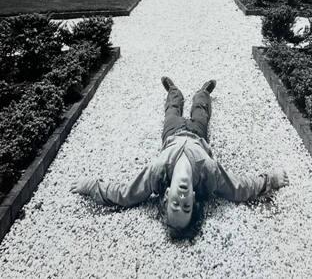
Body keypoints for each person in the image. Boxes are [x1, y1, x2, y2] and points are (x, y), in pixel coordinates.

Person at [71, 77, 289, 236]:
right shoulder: (208, 172)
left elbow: (126, 194)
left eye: (175, 204)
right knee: (201, 110)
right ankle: (203, 91)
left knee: (172, 110)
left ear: (166, 195)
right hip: (197, 134)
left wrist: (91, 186)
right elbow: (239, 188)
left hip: (173, 133)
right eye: (187, 207)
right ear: (194, 199)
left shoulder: (158, 171)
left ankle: (173, 90)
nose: (182, 200)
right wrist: (271, 180)